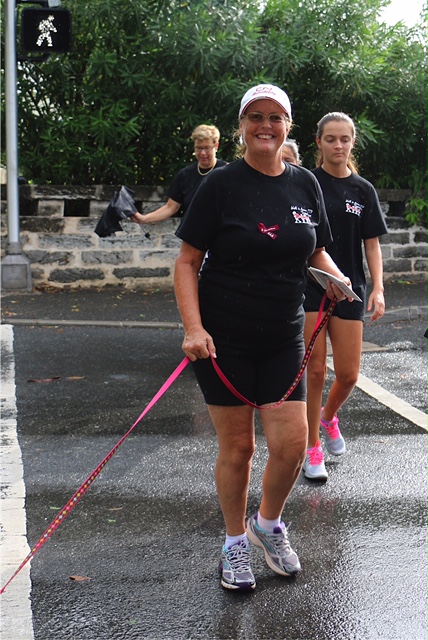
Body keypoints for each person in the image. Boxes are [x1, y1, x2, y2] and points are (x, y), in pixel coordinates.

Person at [174, 84, 353, 591]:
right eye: (256, 117)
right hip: (222, 339)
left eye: (276, 117)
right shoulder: (220, 184)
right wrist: (193, 328)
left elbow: (315, 249)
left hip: (282, 336)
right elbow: (187, 261)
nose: (266, 126)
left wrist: (336, 278)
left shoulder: (304, 184)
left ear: (288, 126)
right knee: (238, 449)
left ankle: (267, 524)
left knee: (293, 445)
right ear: (241, 126)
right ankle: (234, 542)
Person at [302, 112, 388, 481]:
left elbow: (372, 244)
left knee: (349, 374)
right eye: (331, 139)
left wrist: (379, 287)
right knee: (315, 371)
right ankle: (312, 448)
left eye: (345, 139)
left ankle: (328, 417)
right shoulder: (306, 183)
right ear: (318, 142)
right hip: (311, 286)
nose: (338, 145)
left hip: (351, 290)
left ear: (353, 142)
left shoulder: (363, 190)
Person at [131, 125, 227, 225]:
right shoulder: (185, 174)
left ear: (216, 146)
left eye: (207, 148)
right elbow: (170, 207)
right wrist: (143, 218)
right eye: (199, 148)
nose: (203, 153)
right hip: (194, 230)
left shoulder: (227, 172)